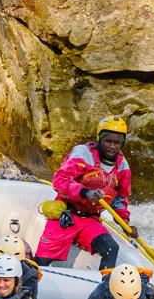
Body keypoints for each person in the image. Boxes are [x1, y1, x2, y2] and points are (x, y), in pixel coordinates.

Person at [35, 115, 134, 268]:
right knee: (41, 262)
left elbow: (120, 199)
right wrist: (85, 192)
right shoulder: (82, 153)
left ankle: (105, 282)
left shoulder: (123, 167)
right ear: (99, 138)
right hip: (66, 215)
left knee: (111, 248)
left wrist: (125, 223)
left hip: (90, 220)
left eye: (117, 143)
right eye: (108, 141)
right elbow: (60, 180)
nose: (112, 146)